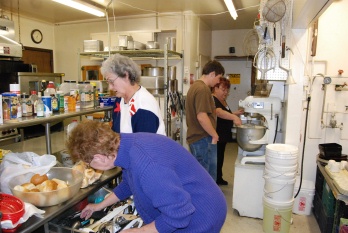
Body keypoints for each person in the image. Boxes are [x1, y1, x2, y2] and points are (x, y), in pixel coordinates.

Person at [66, 121, 227, 233]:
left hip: (202, 214)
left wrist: (140, 231)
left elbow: (179, 214)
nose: (90, 167)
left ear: (99, 157)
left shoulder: (147, 165)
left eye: (89, 163)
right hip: (191, 200)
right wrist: (99, 206)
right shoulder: (126, 146)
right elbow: (129, 183)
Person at [100, 54, 165, 135]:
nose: (110, 87)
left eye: (112, 81)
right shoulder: (120, 100)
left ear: (126, 75)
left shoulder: (143, 105)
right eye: (108, 82)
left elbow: (144, 145)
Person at [185, 60, 225, 181]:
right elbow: (202, 117)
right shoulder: (203, 89)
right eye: (218, 78)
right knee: (206, 179)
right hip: (202, 139)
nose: (218, 81)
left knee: (201, 176)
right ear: (212, 74)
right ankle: (206, 200)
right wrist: (214, 134)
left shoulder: (195, 87)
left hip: (198, 139)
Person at [212, 77, 243, 185]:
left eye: (227, 90)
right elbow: (219, 113)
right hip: (217, 134)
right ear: (215, 88)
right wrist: (234, 118)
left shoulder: (222, 100)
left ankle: (219, 178)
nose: (226, 92)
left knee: (220, 157)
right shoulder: (213, 99)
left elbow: (226, 114)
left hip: (223, 135)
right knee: (216, 158)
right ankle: (215, 180)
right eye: (223, 90)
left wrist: (235, 113)